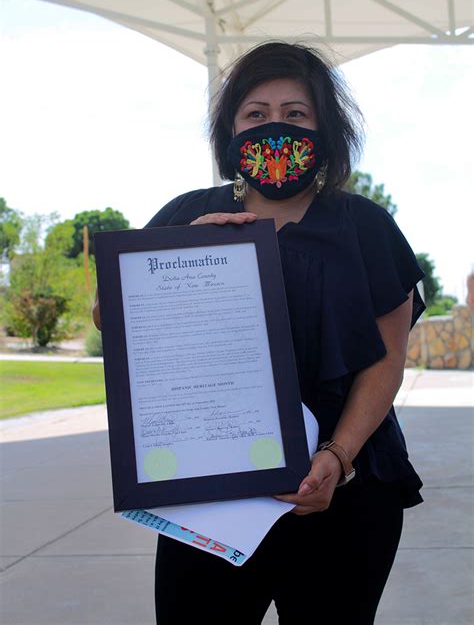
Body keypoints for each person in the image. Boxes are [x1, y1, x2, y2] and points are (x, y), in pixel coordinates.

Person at [93, 41, 425, 625]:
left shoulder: (364, 225)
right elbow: (111, 314)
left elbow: (387, 360)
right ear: (230, 130)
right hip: (210, 497)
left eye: (296, 114)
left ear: (325, 128)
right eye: (256, 114)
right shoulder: (186, 212)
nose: (275, 128)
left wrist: (337, 458)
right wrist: (183, 250)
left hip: (342, 492)